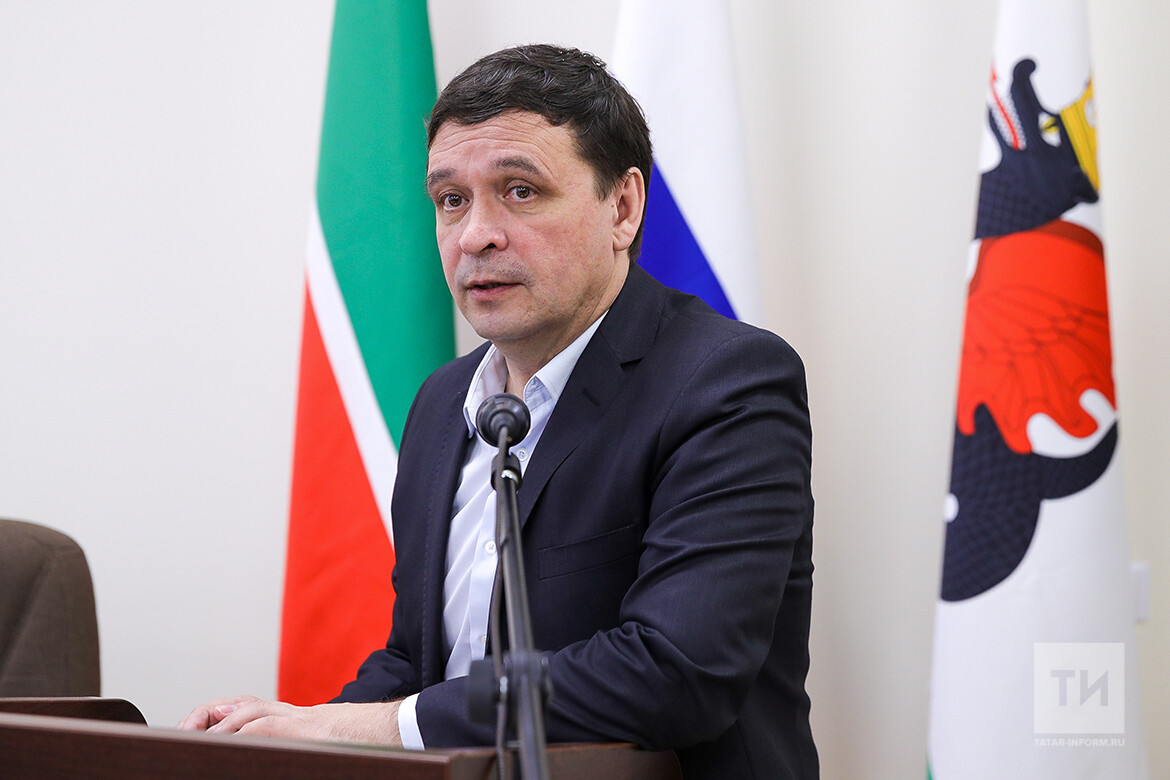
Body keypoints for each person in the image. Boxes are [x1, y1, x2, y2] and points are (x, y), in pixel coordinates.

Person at [179, 44, 817, 779]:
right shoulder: (442, 403)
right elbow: (419, 661)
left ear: (623, 208)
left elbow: (674, 672)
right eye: (451, 200)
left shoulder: (726, 383)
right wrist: (291, 733)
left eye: (519, 190)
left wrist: (375, 726)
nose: (475, 235)